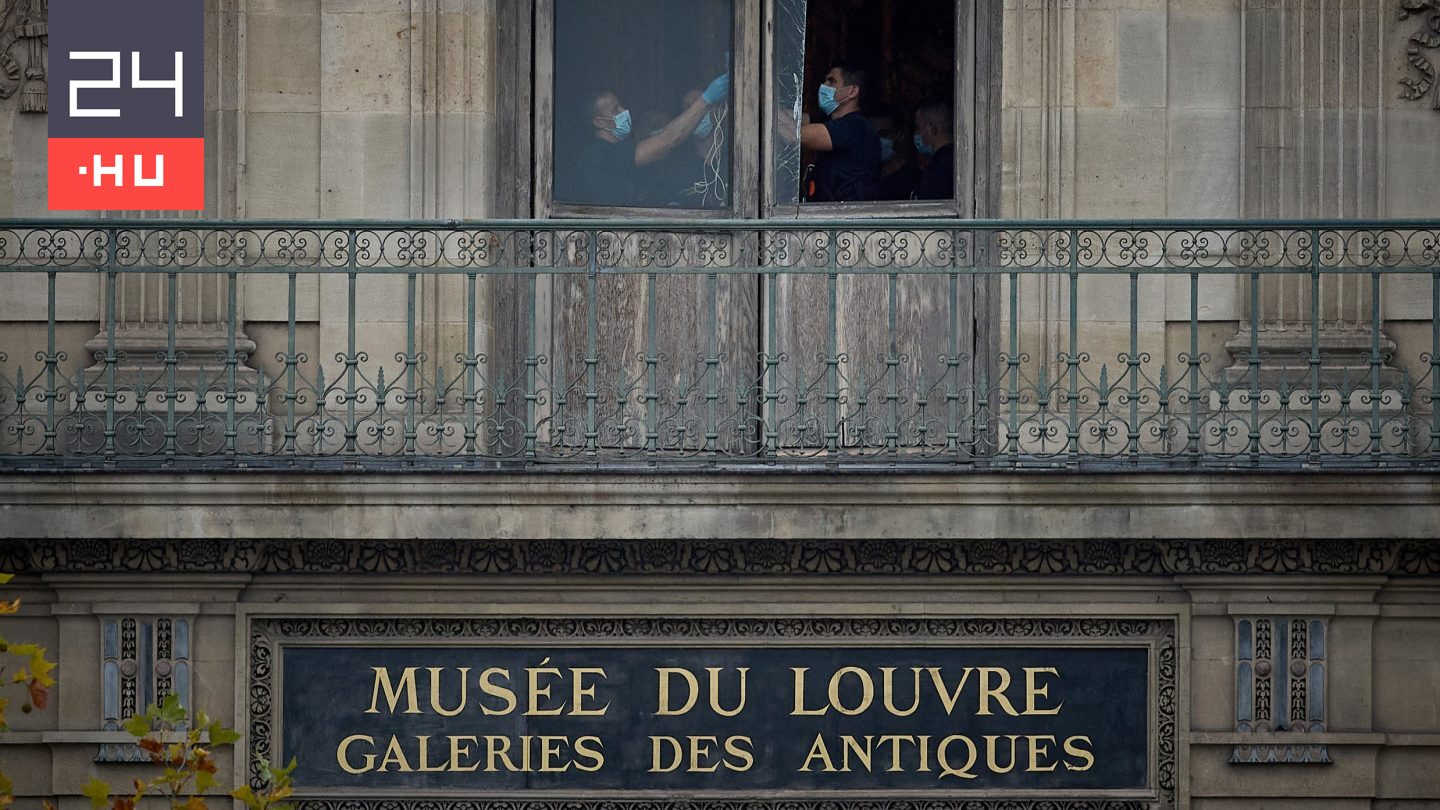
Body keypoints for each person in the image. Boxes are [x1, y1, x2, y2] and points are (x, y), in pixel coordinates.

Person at [567, 72, 729, 207]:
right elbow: (667, 141)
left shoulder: (619, 150)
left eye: (620, 105)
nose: (624, 111)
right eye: (615, 110)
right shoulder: (598, 155)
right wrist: (706, 99)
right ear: (599, 122)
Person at [800, 62, 880, 203]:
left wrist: (765, 112)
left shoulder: (855, 126)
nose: (824, 85)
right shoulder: (834, 122)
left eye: (832, 81)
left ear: (852, 91)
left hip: (846, 220)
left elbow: (797, 134)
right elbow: (798, 119)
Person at [866, 103, 920, 201]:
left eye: (883, 134)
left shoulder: (914, 180)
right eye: (872, 135)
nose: (877, 140)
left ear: (900, 135)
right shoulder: (867, 179)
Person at [913, 98, 955, 200]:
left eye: (918, 128)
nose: (916, 134)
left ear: (932, 129)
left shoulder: (936, 172)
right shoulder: (961, 161)